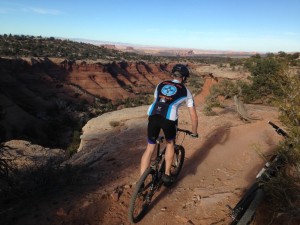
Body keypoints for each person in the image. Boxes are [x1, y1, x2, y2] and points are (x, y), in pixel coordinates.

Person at [140, 64, 199, 185]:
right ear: (184, 78)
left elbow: (158, 101)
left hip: (153, 115)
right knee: (170, 143)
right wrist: (194, 132)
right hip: (169, 119)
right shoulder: (186, 92)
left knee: (150, 148)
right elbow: (194, 117)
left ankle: (140, 182)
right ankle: (166, 174)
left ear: (173, 74)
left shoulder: (160, 84)